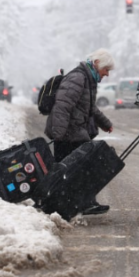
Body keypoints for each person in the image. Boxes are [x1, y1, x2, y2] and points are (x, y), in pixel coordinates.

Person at [45, 49, 115, 215]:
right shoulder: (78, 78)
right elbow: (62, 106)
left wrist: (104, 123)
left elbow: (90, 107)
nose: (107, 74)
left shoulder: (87, 79)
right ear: (97, 64)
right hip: (68, 134)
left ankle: (81, 203)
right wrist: (59, 135)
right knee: (78, 170)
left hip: (75, 132)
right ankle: (65, 205)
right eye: (106, 70)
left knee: (79, 170)